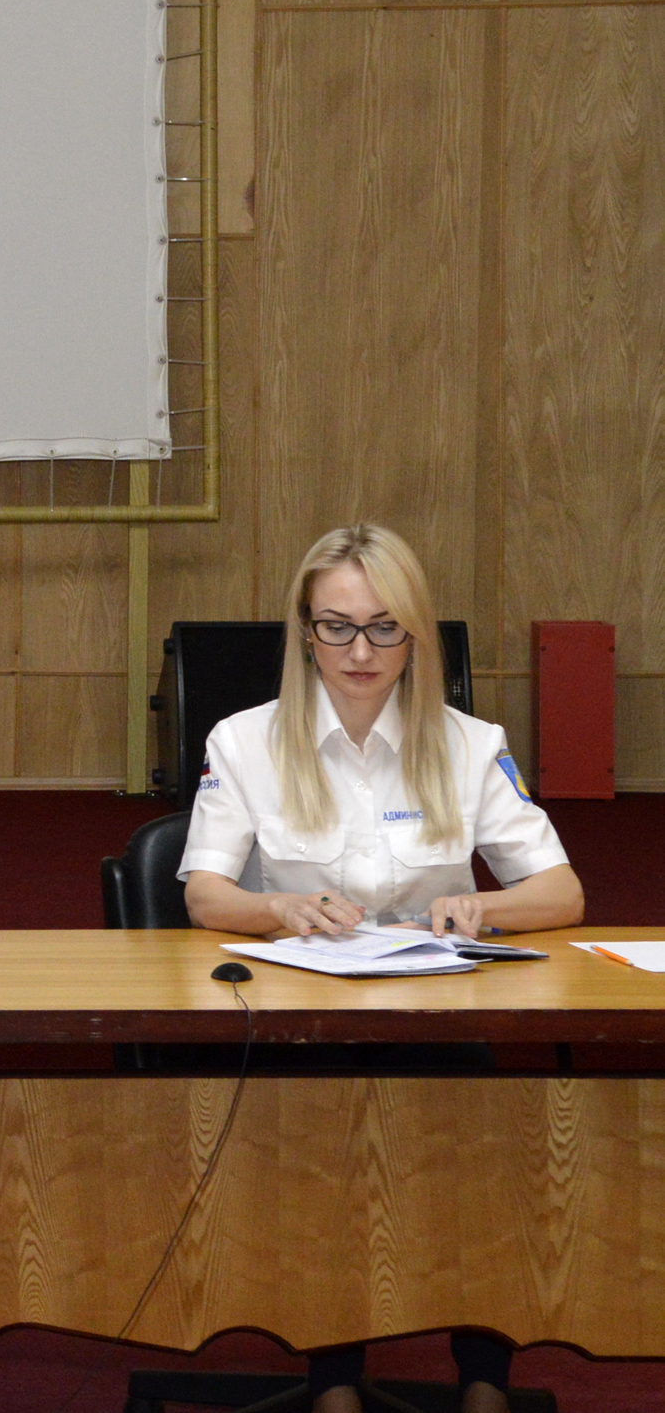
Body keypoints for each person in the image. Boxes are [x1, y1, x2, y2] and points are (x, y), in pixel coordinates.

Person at [179, 522, 582, 1413]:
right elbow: (205, 893)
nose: (360, 652)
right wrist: (279, 908)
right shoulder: (243, 741)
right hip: (301, 1019)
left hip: (438, 1014)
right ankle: (334, 1384)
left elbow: (561, 888)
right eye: (337, 627)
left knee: (487, 1149)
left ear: (415, 635)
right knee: (328, 1151)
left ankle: (485, 1381)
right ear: (305, 632)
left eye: (384, 627)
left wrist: (483, 906)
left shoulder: (470, 743)